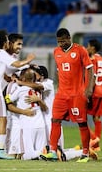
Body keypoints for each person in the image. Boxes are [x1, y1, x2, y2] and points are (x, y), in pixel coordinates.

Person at [0, 30, 35, 159]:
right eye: (7, 40)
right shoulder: (2, 53)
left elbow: (9, 70)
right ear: (5, 43)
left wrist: (14, 73)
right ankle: (1, 151)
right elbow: (15, 64)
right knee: (2, 119)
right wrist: (28, 60)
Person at [40, 28, 94, 163]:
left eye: (63, 41)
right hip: (62, 94)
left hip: (77, 94)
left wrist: (89, 88)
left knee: (82, 123)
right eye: (59, 42)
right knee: (55, 120)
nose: (61, 44)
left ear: (69, 38)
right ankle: (52, 151)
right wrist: (58, 86)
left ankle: (86, 152)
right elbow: (59, 71)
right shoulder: (56, 52)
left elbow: (90, 69)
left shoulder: (80, 50)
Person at [85, 39, 102, 159]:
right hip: (101, 90)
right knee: (97, 117)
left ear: (92, 48)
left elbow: (92, 76)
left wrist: (88, 92)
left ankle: (94, 139)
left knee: (81, 117)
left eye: (88, 46)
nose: (87, 48)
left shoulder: (92, 60)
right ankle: (96, 145)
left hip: (93, 91)